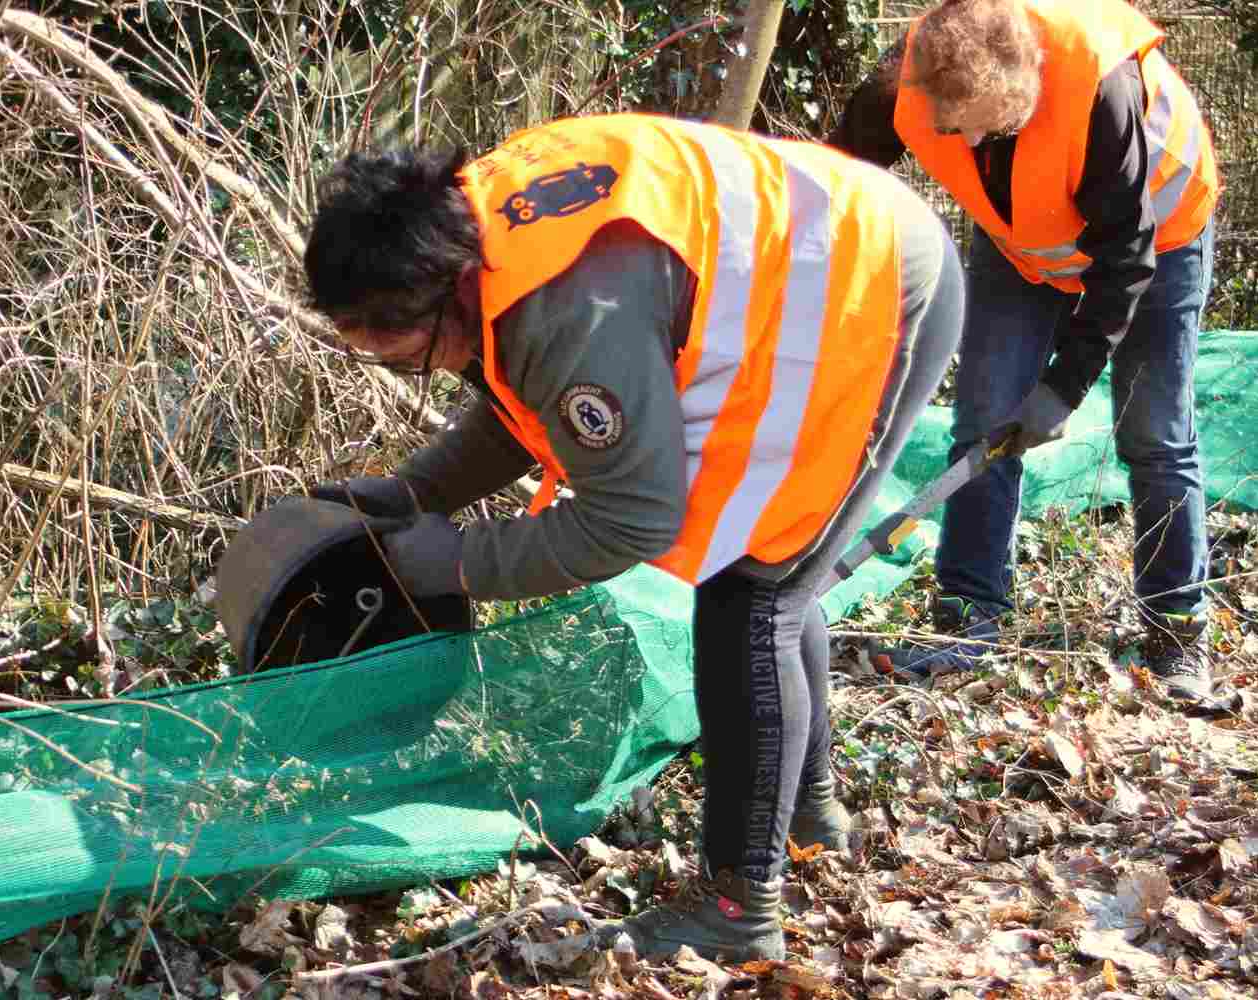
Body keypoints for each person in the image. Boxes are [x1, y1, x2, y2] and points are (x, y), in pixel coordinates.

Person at [302, 112, 963, 963]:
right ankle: (808, 820)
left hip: (872, 290)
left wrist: (457, 564)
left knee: (752, 593)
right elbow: (522, 402)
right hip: (826, 263)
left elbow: (631, 517)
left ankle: (739, 908)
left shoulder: (572, 306)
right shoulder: (475, 239)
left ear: (443, 289)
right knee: (766, 579)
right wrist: (415, 491)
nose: (398, 364)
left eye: (397, 347)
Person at [827, 0, 1221, 701]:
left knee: (1154, 434)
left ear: (1018, 96)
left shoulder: (1101, 88)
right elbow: (836, 184)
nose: (965, 141)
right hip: (1024, 243)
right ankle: (966, 622)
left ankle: (1175, 634)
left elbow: (1124, 258)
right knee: (982, 417)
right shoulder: (907, 84)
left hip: (1159, 234)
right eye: (953, 128)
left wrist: (1064, 386)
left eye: (981, 126)